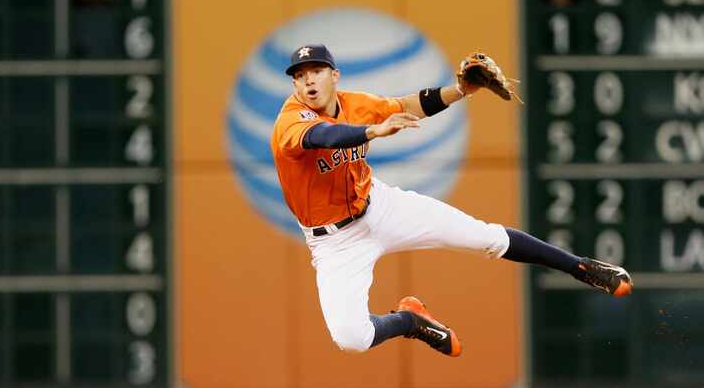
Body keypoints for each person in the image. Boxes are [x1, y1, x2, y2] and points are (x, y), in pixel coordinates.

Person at [270, 44, 632, 357]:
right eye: (300, 76)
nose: (308, 81)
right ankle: (411, 321)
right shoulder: (291, 121)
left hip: (380, 208)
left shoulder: (356, 103)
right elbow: (323, 137)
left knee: (486, 238)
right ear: (294, 84)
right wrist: (372, 131)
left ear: (334, 75)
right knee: (352, 339)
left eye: (316, 71)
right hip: (335, 241)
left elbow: (412, 104)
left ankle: (583, 268)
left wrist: (461, 90)